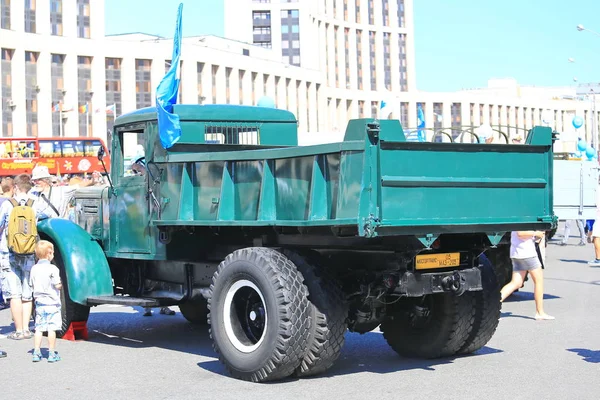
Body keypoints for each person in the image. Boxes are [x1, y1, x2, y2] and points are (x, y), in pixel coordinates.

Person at [0, 174, 48, 340]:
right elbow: (46, 218)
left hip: (9, 253)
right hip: (29, 253)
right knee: (27, 294)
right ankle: (27, 329)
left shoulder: (7, 205)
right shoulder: (35, 204)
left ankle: (18, 330)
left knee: (15, 294)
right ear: (29, 187)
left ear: (16, 187)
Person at [500, 230, 554, 320]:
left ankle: (495, 305)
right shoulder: (523, 217)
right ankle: (539, 312)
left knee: (516, 283)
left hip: (517, 252)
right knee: (538, 281)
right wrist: (536, 233)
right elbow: (521, 233)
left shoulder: (517, 218)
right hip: (527, 253)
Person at [29, 240, 62, 362]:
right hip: (52, 303)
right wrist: (61, 285)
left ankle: (36, 352)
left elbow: (31, 284)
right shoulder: (53, 268)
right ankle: (52, 353)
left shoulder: (34, 268)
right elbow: (57, 285)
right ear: (49, 253)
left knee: (39, 328)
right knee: (51, 329)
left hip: (39, 302)